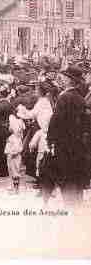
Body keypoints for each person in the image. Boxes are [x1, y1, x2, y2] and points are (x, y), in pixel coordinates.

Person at [46, 66, 90, 208]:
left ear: (71, 80)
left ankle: (71, 210)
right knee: (77, 178)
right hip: (79, 145)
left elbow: (56, 121)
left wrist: (50, 140)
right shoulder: (81, 99)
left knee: (66, 177)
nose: (63, 79)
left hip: (64, 145)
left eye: (65, 77)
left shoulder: (64, 97)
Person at [5, 115, 25, 194]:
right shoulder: (11, 138)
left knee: (15, 172)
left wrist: (14, 152)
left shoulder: (17, 139)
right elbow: (8, 147)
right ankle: (13, 187)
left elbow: (19, 148)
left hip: (15, 157)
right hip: (10, 156)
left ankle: (16, 189)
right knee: (11, 171)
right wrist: (9, 153)